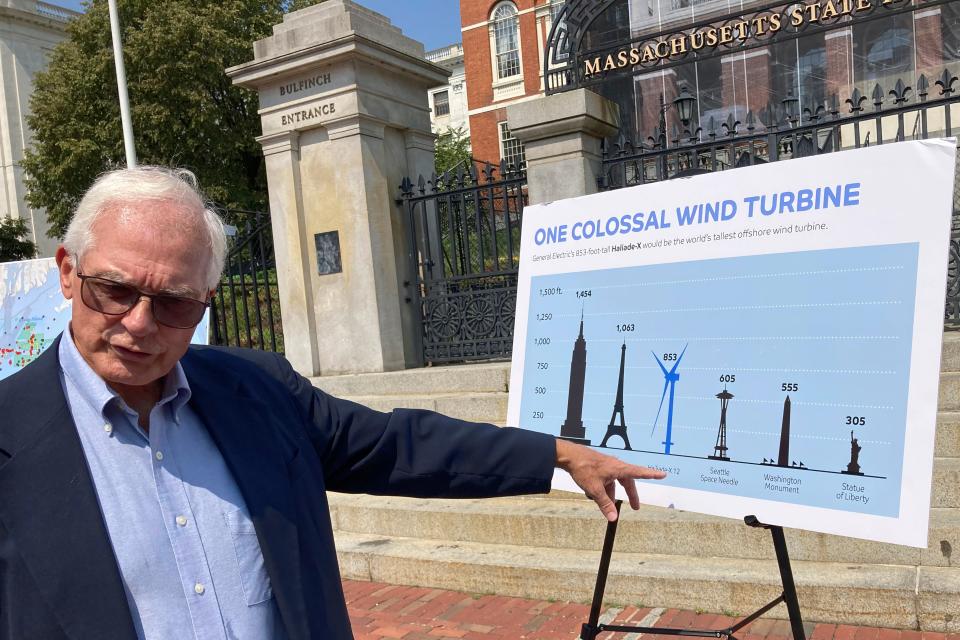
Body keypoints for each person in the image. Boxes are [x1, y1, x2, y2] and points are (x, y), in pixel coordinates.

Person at [0, 166, 666, 640]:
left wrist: (552, 453)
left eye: (173, 302)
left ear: (205, 302)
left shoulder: (257, 392)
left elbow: (399, 445)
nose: (141, 324)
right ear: (66, 271)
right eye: (114, 291)